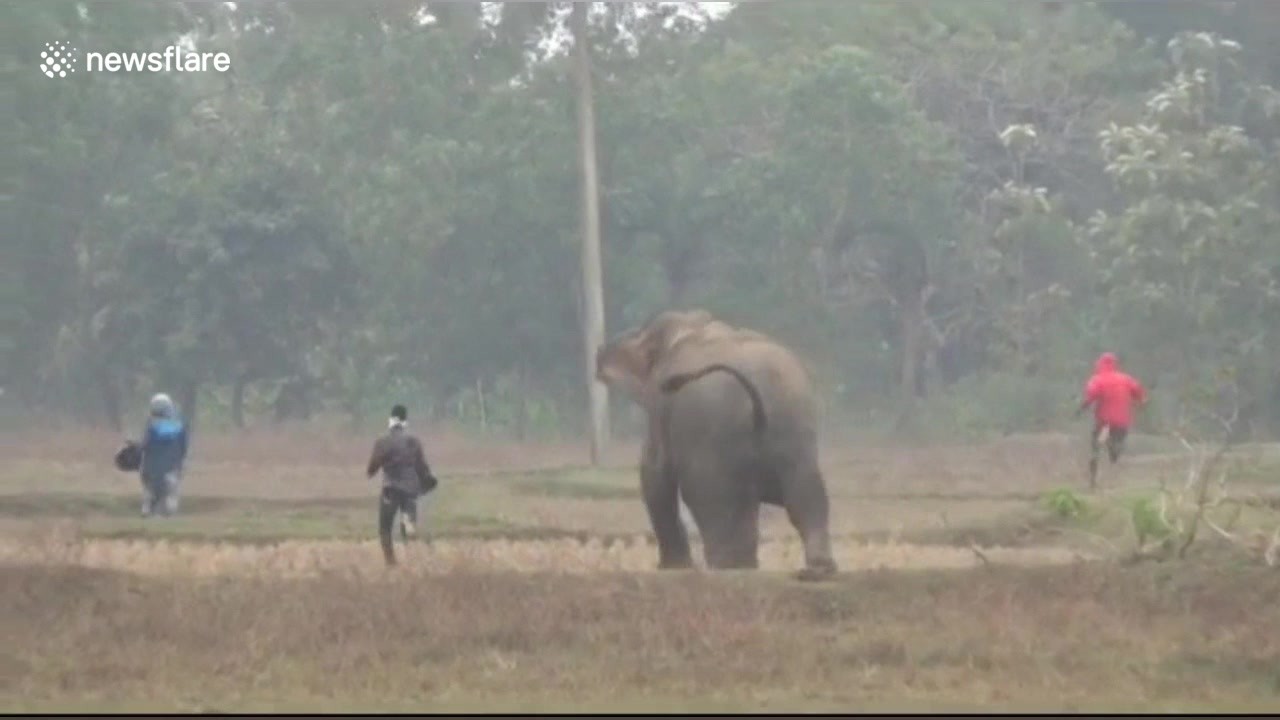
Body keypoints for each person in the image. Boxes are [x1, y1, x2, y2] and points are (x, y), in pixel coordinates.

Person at [366, 404, 438, 566]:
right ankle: (409, 523)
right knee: (408, 526)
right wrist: (428, 482)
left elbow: (372, 469)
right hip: (410, 490)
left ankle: (391, 563)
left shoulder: (382, 441)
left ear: (390, 420)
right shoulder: (413, 442)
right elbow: (422, 468)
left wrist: (375, 468)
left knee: (385, 528)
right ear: (405, 421)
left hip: (390, 489)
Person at [1075, 352, 1147, 488]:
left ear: (1100, 365)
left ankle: (1093, 480)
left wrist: (1080, 410)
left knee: (1095, 448)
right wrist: (1142, 404)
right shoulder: (1126, 379)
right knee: (1116, 447)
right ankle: (1114, 456)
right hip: (1122, 422)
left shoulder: (1097, 380)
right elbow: (1139, 393)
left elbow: (1089, 398)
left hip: (1104, 422)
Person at [137, 393, 189, 517]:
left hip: (151, 468)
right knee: (170, 494)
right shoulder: (179, 425)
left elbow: (145, 445)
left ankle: (148, 508)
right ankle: (167, 510)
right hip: (172, 468)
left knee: (149, 492)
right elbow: (184, 447)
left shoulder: (151, 426)